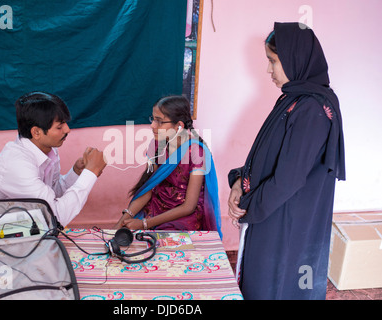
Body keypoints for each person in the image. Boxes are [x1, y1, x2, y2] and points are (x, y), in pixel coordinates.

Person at [228, 22, 345, 300]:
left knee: (275, 284)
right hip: (271, 211)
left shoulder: (312, 109)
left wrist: (248, 207)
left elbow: (288, 179)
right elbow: (266, 156)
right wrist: (238, 183)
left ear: (295, 60)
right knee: (261, 281)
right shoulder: (293, 100)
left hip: (285, 219)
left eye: (273, 62)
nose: (269, 71)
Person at [0, 91, 106, 227]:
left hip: (26, 228)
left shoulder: (48, 150)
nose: (67, 130)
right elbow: (55, 217)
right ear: (36, 132)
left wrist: (76, 172)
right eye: (59, 126)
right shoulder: (17, 164)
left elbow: (52, 193)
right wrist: (91, 172)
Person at [114, 95, 222, 238]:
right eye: (153, 119)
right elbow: (149, 187)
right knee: (127, 238)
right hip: (156, 207)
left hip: (183, 216)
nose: (152, 125)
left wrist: (145, 224)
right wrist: (122, 220)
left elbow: (189, 206)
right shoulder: (158, 144)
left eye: (159, 121)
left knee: (161, 243)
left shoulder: (196, 152)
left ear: (178, 126)